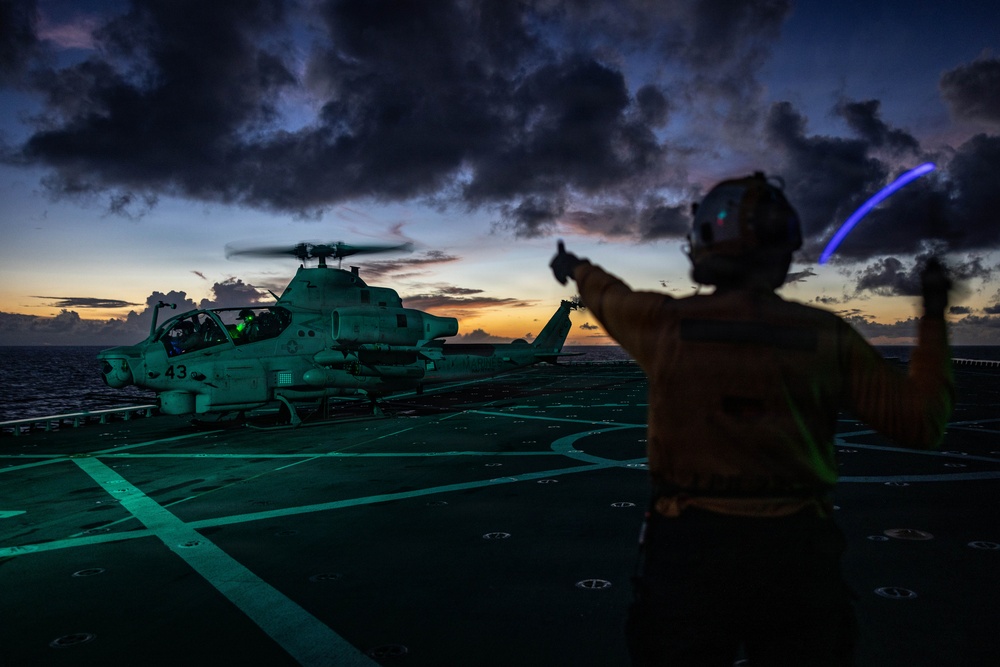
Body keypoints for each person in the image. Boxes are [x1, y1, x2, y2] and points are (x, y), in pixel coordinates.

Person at [549, 172, 954, 666]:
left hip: (689, 552)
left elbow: (607, 294)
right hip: (798, 554)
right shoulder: (827, 337)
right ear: (783, 249)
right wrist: (933, 316)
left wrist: (574, 265)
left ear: (703, 244)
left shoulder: (668, 325)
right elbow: (921, 424)